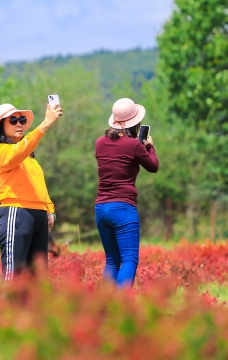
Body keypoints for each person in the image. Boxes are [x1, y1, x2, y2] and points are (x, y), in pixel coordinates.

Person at [0, 102, 63, 281]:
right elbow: (21, 149)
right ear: (1, 127)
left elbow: (40, 187)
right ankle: (7, 309)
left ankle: (32, 309)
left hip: (38, 216)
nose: (19, 124)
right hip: (16, 212)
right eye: (13, 120)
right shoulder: (0, 151)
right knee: (15, 275)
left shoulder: (30, 159)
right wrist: (45, 123)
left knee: (37, 277)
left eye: (21, 120)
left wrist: (50, 211)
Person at [94, 98, 159, 288]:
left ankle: (104, 305)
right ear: (135, 123)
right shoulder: (134, 145)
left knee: (112, 261)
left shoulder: (99, 143)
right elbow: (153, 166)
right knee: (129, 260)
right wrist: (149, 146)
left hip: (101, 208)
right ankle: (121, 307)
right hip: (123, 207)